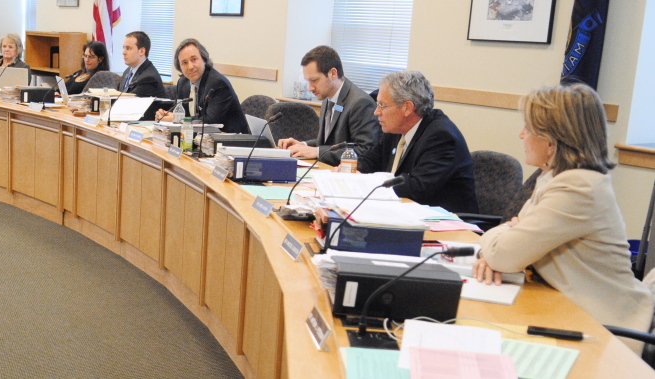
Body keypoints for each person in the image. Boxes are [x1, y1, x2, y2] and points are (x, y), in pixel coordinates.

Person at [473, 83, 652, 354]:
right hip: (566, 310)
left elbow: (504, 253)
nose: (521, 134)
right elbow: (512, 242)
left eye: (528, 128)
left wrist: (505, 235)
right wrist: (508, 236)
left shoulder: (578, 187)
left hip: (605, 332)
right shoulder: (553, 177)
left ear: (552, 140)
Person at [356, 70, 478, 213]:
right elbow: (370, 161)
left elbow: (417, 188)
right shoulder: (396, 128)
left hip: (446, 225)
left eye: (382, 105)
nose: (376, 112)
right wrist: (350, 169)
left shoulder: (441, 136)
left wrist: (368, 183)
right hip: (403, 211)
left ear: (407, 108)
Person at [277, 46, 382, 165]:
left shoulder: (360, 103)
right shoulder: (328, 97)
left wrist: (316, 151)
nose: (310, 88)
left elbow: (366, 151)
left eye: (315, 80)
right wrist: (303, 145)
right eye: (308, 81)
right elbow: (329, 144)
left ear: (333, 73)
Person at [155, 39, 249, 134]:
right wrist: (166, 116)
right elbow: (181, 112)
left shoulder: (218, 83)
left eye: (194, 59)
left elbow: (210, 121)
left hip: (229, 140)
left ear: (204, 60)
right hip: (197, 138)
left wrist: (177, 119)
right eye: (184, 63)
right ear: (180, 68)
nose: (190, 66)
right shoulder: (183, 83)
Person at [117, 31, 166, 98]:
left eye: (128, 48)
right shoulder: (127, 71)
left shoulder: (148, 78)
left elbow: (131, 103)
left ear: (142, 51)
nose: (123, 52)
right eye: (124, 48)